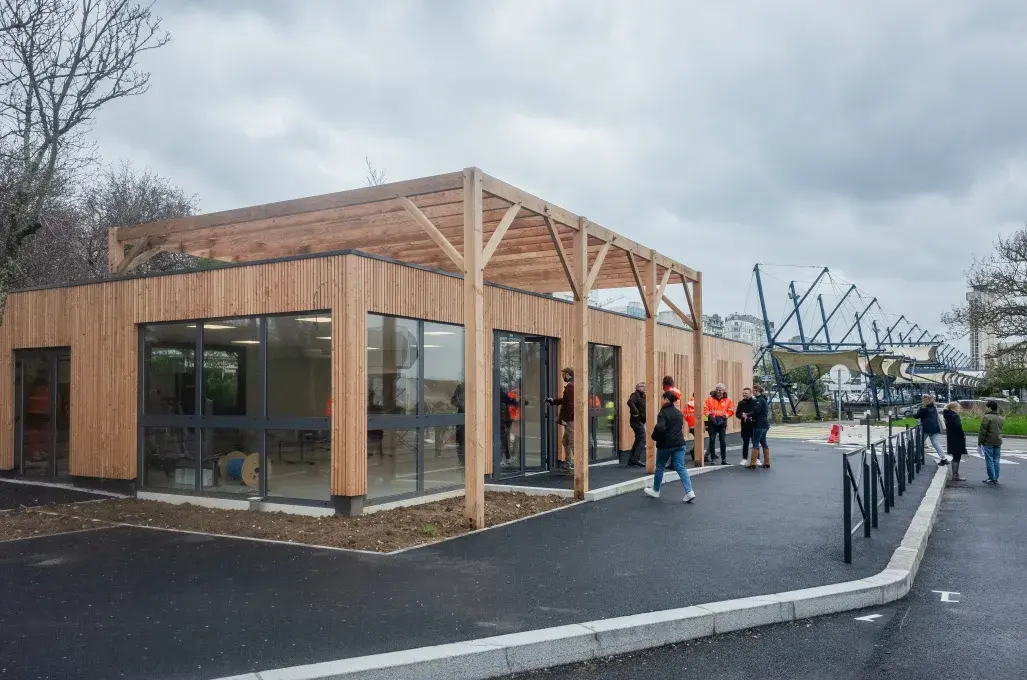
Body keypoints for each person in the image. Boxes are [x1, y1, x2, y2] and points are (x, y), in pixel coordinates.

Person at [643, 390, 695, 503]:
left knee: (660, 467)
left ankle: (656, 490)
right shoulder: (679, 412)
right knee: (681, 467)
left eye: (663, 398)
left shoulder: (663, 413)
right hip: (680, 444)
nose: (662, 401)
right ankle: (689, 491)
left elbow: (660, 428)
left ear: (666, 400)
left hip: (666, 445)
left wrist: (654, 435)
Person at [545, 367, 575, 472]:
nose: (562, 376)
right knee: (565, 441)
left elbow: (571, 405)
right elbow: (565, 400)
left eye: (563, 375)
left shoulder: (570, 386)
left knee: (572, 442)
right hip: (570, 419)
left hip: (570, 420)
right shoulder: (572, 385)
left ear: (568, 375)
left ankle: (579, 466)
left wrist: (565, 419)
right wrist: (553, 401)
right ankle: (567, 465)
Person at [703, 383, 735, 465]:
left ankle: (723, 459)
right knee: (712, 440)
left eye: (720, 390)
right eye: (717, 389)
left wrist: (725, 417)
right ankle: (713, 458)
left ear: (723, 390)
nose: (718, 391)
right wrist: (710, 416)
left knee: (723, 441)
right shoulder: (709, 398)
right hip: (712, 421)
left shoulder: (728, 399)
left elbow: (731, 410)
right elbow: (705, 408)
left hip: (722, 421)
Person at [914, 394, 948, 466]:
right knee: (936, 443)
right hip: (935, 428)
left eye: (923, 399)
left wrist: (914, 413)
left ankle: (918, 458)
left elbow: (917, 416)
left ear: (925, 400)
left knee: (918, 442)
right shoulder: (934, 407)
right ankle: (944, 458)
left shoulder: (924, 408)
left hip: (926, 428)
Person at [979, 400, 1004, 485]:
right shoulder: (1001, 418)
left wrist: (980, 442)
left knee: (989, 460)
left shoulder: (986, 417)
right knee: (996, 460)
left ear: (989, 408)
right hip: (998, 441)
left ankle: (991, 478)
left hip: (988, 442)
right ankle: (996, 478)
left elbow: (983, 432)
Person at [942, 402, 967, 482]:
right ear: (953, 408)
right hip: (957, 438)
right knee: (957, 457)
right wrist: (963, 434)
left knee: (954, 456)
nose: (958, 409)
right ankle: (955, 475)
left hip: (951, 437)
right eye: (957, 407)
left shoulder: (947, 416)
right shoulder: (955, 416)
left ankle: (955, 474)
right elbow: (958, 426)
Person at [749, 384, 771, 468]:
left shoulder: (759, 400)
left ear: (757, 391)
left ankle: (753, 463)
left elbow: (756, 411)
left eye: (753, 390)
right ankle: (766, 462)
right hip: (765, 425)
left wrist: (747, 414)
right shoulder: (764, 399)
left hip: (759, 424)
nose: (752, 392)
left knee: (755, 442)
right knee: (763, 442)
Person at [626, 382, 647, 467]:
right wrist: (636, 412)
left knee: (638, 439)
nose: (645, 388)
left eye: (645, 386)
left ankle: (632, 460)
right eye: (643, 387)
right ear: (638, 387)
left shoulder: (642, 396)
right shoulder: (635, 395)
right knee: (642, 439)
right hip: (636, 422)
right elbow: (630, 402)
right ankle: (636, 459)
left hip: (640, 421)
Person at [735, 387, 756, 465]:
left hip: (754, 426)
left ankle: (756, 459)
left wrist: (750, 416)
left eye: (746, 393)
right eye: (743, 393)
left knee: (755, 443)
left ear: (750, 393)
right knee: (745, 443)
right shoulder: (741, 403)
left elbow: (757, 413)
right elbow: (737, 414)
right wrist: (741, 415)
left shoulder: (755, 402)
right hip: (744, 426)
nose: (744, 394)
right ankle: (744, 458)